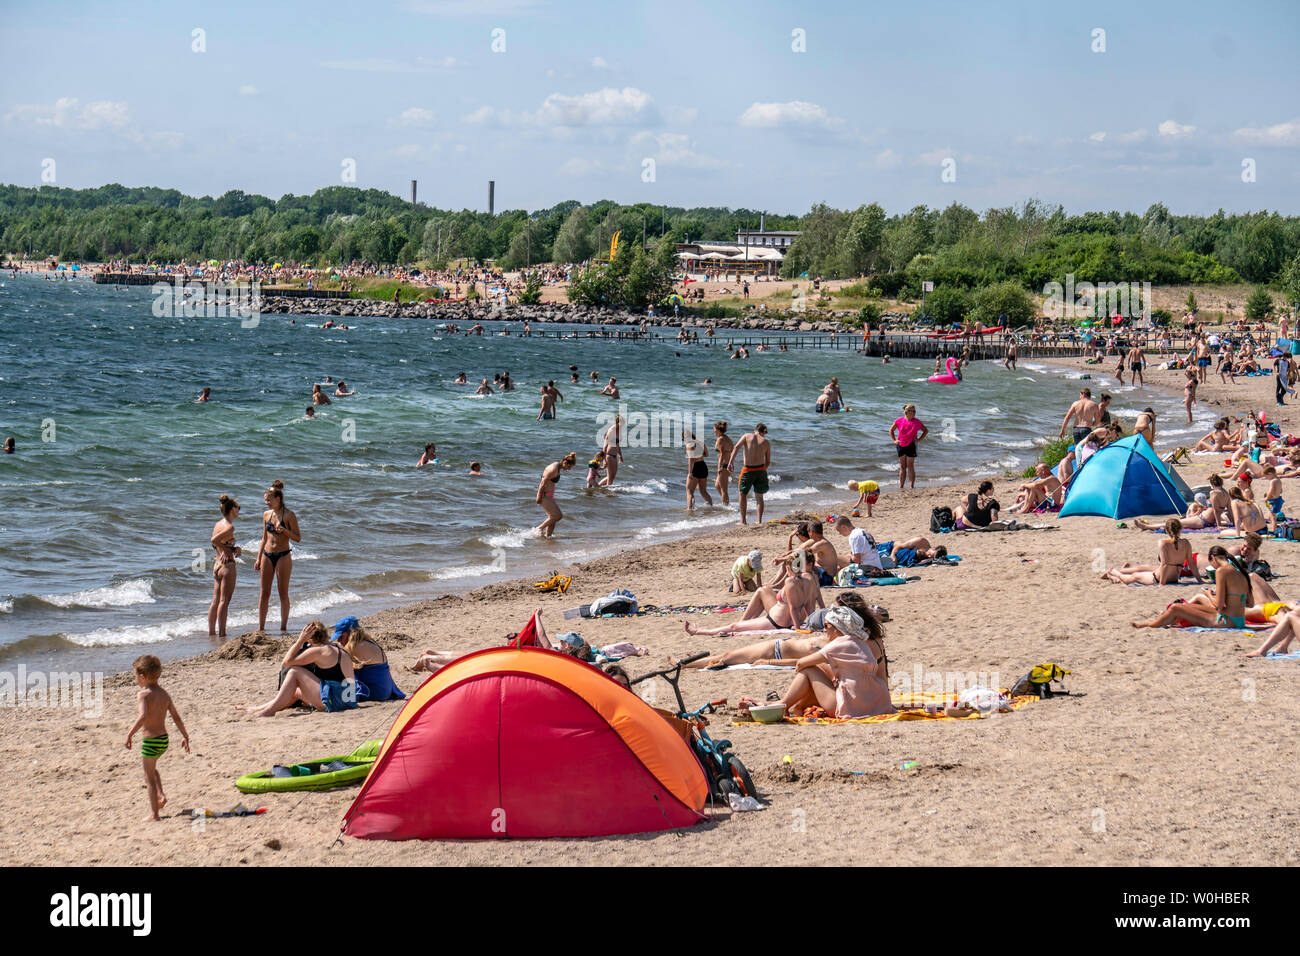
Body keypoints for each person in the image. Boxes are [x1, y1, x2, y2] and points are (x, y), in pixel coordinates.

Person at [681, 593, 876, 669]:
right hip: (779, 645)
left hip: (774, 651)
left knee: (727, 656)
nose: (827, 623)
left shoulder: (839, 645)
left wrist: (769, 661)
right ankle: (691, 662)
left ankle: (684, 665)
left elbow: (801, 662)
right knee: (726, 656)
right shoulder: (846, 638)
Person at [778, 606, 893, 719]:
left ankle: (784, 704)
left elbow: (801, 663)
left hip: (850, 707)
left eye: (826, 625)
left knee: (808, 669)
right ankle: (796, 706)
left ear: (837, 628)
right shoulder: (861, 641)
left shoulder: (838, 644)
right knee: (820, 667)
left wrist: (801, 667)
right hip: (876, 704)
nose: (824, 630)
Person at [685, 550, 822, 636]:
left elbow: (793, 607)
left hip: (776, 621)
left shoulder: (790, 583)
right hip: (783, 619)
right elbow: (809, 605)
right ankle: (742, 624)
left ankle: (699, 631)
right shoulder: (811, 579)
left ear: (789, 567)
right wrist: (812, 623)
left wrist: (797, 629)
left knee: (734, 626)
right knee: (762, 590)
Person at [237, 620, 357, 716]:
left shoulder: (318, 651)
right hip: (348, 700)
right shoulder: (337, 647)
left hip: (336, 701)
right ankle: (257, 708)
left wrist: (300, 640)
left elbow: (286, 662)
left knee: (294, 671)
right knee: (293, 691)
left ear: (310, 639)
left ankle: (268, 711)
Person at [125, 655, 190, 821]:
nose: (135, 679)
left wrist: (130, 734)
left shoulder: (144, 695)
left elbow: (143, 716)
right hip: (163, 740)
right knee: (153, 769)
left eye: (135, 676)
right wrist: (185, 736)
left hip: (150, 741)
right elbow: (176, 717)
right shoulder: (164, 695)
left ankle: (154, 814)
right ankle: (161, 797)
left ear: (142, 676)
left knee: (149, 778)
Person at [1133, 547, 1251, 628]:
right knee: (1186, 607)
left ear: (1213, 558)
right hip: (1239, 620)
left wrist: (1208, 594)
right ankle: (1168, 621)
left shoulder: (1221, 571)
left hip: (1226, 621)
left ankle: (1150, 625)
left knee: (1176, 608)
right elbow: (1249, 603)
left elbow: (1218, 605)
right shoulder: (1240, 572)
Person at [256, 479, 300, 633]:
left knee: (283, 593)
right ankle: (261, 628)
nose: (266, 502)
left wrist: (285, 531)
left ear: (278, 499)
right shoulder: (266, 515)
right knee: (264, 593)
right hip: (267, 555)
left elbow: (297, 537)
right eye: (265, 500)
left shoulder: (288, 515)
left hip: (283, 556)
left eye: (269, 500)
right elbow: (264, 537)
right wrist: (258, 557)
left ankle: (283, 627)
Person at [1102, 519, 1200, 585]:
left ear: (1166, 530)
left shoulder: (1163, 543)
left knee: (1133, 577)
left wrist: (1161, 584)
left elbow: (1165, 564)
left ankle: (1114, 573)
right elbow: (1191, 563)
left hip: (1158, 578)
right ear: (1180, 529)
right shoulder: (1186, 543)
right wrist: (1200, 580)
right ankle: (1118, 574)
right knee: (1145, 569)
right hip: (1174, 578)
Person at [334, 616, 405, 701]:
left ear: (351, 634)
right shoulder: (367, 641)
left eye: (341, 637)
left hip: (374, 692)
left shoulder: (354, 647)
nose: (338, 640)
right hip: (386, 689)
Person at [207, 494, 241, 638]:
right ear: (232, 509)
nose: (239, 510)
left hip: (217, 565)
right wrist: (228, 550)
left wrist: (232, 549)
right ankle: (222, 633)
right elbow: (214, 540)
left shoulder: (218, 524)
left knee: (215, 601)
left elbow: (217, 543)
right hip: (227, 565)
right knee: (224, 602)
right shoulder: (229, 526)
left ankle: (211, 633)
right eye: (238, 508)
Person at [729, 423, 771, 525]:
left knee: (742, 494)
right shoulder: (766, 442)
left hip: (748, 470)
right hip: (761, 469)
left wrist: (731, 462)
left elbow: (736, 447)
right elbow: (768, 461)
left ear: (755, 430)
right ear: (763, 432)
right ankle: (759, 521)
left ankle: (743, 521)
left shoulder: (747, 436)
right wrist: (762, 470)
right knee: (759, 497)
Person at [535, 452, 577, 537]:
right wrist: (539, 496)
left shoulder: (558, 467)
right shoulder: (553, 468)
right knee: (558, 516)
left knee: (552, 519)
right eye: (569, 467)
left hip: (549, 496)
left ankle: (548, 538)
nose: (569, 469)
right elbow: (543, 482)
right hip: (544, 495)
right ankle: (539, 529)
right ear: (565, 462)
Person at [890, 404, 927, 489]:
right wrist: (894, 440)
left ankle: (911, 486)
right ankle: (901, 486)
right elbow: (891, 430)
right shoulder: (899, 421)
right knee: (902, 466)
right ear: (906, 412)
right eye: (913, 411)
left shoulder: (917, 422)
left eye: (915, 411)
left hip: (911, 445)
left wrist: (919, 439)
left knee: (910, 465)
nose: (914, 413)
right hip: (901, 445)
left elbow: (925, 430)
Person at [684, 428, 713, 508]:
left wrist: (690, 472)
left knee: (689, 491)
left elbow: (691, 459)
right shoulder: (700, 442)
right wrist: (700, 456)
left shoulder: (689, 445)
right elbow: (707, 454)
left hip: (695, 467)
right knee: (703, 491)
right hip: (703, 466)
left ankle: (690, 510)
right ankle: (710, 507)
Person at [598, 415, 625, 486]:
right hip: (609, 455)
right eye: (622, 423)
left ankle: (597, 486)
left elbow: (618, 445)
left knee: (612, 477)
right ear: (618, 422)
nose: (623, 425)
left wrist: (620, 456)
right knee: (610, 477)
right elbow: (605, 445)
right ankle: (608, 493)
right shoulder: (612, 430)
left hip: (614, 455)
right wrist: (603, 460)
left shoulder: (619, 430)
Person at [713, 421, 734, 506]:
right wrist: (731, 463)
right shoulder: (728, 438)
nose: (713, 431)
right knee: (717, 486)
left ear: (718, 429)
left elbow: (721, 454)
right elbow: (732, 450)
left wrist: (719, 467)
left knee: (724, 489)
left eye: (714, 429)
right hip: (728, 464)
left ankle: (726, 507)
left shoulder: (720, 439)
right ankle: (727, 503)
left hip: (724, 465)